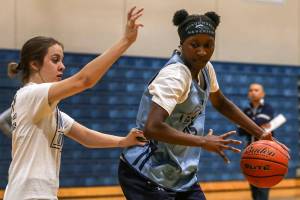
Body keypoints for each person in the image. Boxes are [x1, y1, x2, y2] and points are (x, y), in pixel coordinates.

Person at [118, 9, 284, 200]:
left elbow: (221, 102)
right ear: (182, 44)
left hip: (180, 176)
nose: (202, 51)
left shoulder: (206, 68)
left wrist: (260, 133)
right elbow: (153, 127)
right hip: (145, 172)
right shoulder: (175, 76)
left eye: (208, 45)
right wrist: (203, 141)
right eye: (194, 45)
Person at [3, 7, 145, 200]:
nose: (62, 66)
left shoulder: (50, 111)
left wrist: (123, 141)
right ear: (34, 64)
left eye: (62, 60)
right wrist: (126, 41)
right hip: (28, 195)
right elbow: (84, 80)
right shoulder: (30, 95)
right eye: (55, 60)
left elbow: (86, 136)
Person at [238, 83, 274, 200]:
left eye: (256, 90)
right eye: (250, 90)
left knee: (263, 186)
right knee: (253, 184)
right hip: (250, 151)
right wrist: (256, 124)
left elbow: (246, 125)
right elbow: (239, 130)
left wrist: (247, 124)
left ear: (263, 93)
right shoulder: (246, 109)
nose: (253, 92)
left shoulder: (268, 108)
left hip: (266, 152)